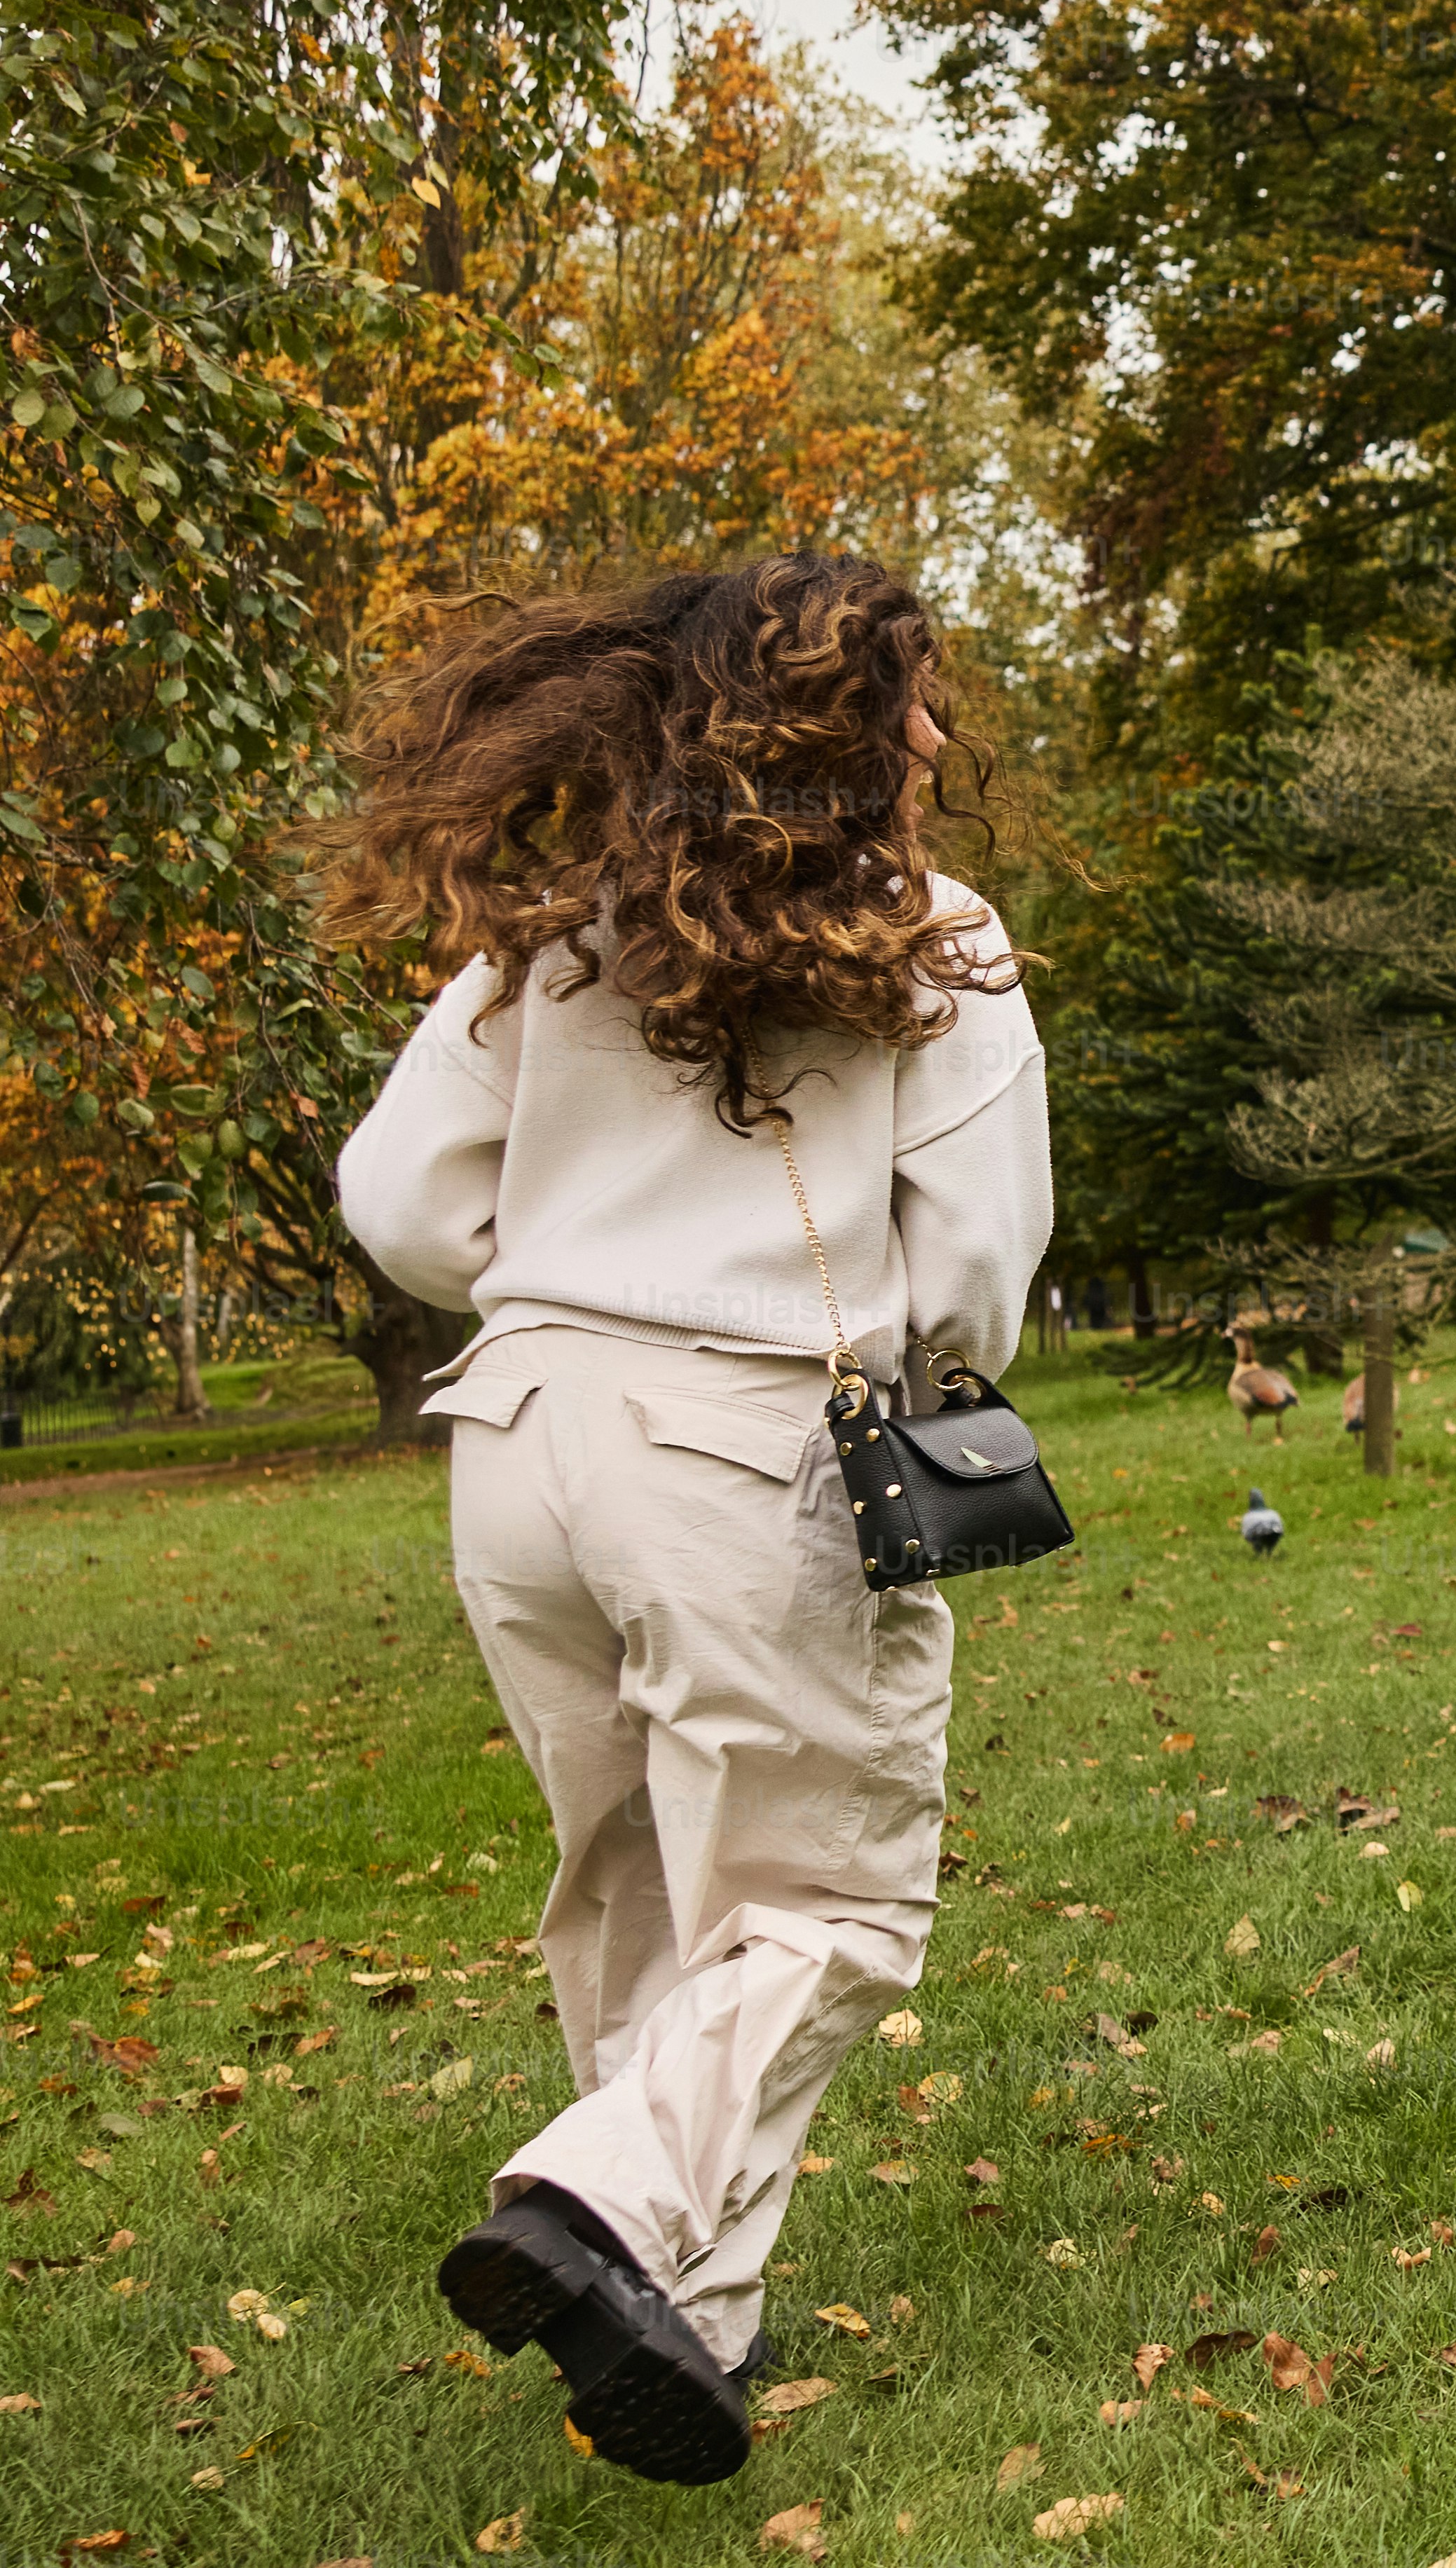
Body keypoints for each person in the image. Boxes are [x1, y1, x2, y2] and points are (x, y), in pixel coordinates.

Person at [326, 556, 1051, 2486]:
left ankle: (680, 2320)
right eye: (906, 699)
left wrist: (562, 1267)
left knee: (636, 1876)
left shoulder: (565, 939)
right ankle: (595, 2201)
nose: (932, 734)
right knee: (827, 1896)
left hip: (518, 1441)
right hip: (741, 1446)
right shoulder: (940, 947)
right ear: (832, 727)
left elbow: (394, 1193)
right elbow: (974, 1272)